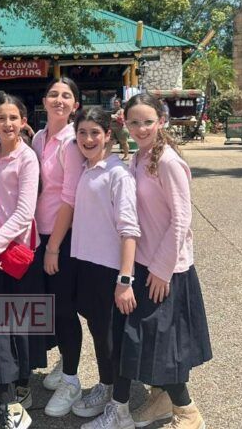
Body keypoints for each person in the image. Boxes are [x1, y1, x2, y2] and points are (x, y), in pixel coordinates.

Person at [107, 93, 212, 429]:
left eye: (148, 122)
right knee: (149, 342)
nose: (141, 128)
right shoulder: (139, 158)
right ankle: (161, 400)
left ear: (161, 122)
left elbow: (182, 219)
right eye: (134, 122)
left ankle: (188, 412)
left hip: (167, 269)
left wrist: (163, 269)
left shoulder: (168, 161)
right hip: (143, 263)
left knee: (160, 344)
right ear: (125, 123)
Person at [67, 108, 140, 427]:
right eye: (82, 132)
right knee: (99, 333)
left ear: (108, 135)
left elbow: (130, 229)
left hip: (111, 270)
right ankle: (107, 385)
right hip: (87, 265)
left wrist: (125, 279)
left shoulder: (117, 174)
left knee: (115, 341)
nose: (88, 139)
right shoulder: (85, 169)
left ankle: (120, 410)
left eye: (95, 132)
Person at [0, 92, 40, 429]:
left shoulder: (27, 158)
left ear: (24, 121)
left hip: (16, 256)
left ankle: (17, 394)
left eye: (13, 117)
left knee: (18, 328)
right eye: (1, 117)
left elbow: (25, 212)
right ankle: (8, 397)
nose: (7, 123)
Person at [29, 78, 86, 416]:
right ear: (44, 101)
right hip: (37, 235)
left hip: (61, 238)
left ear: (75, 105)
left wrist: (53, 246)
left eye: (66, 96)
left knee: (64, 309)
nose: (59, 100)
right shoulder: (38, 138)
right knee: (49, 306)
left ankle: (72, 380)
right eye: (53, 94)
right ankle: (66, 359)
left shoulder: (72, 142)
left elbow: (70, 198)